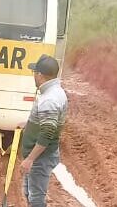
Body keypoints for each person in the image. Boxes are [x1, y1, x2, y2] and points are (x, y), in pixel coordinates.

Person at [18, 54, 68, 207]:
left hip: (40, 158)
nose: (33, 75)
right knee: (29, 192)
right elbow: (46, 123)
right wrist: (29, 125)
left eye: (34, 72)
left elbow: (47, 132)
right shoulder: (54, 93)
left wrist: (30, 159)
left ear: (40, 75)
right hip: (40, 156)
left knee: (36, 198)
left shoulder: (49, 99)